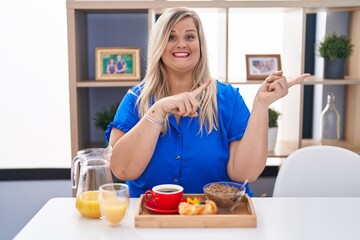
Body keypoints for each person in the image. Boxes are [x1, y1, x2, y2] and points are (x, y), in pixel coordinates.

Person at [105, 7, 310, 197]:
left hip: (219, 215)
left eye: (190, 36)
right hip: (150, 219)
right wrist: (157, 112)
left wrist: (261, 105)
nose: (182, 44)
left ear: (200, 44)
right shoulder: (135, 100)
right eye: (171, 37)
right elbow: (122, 170)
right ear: (159, 45)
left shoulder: (228, 98)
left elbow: (244, 173)